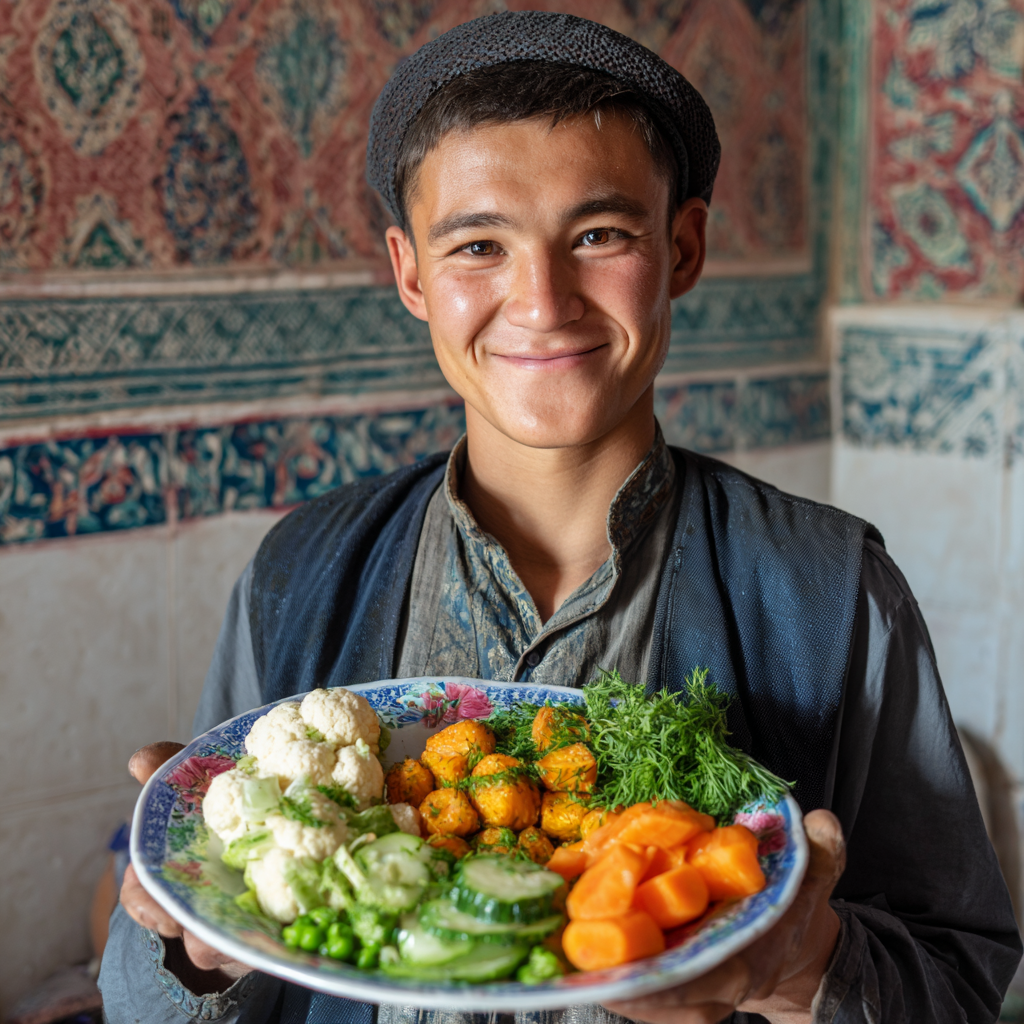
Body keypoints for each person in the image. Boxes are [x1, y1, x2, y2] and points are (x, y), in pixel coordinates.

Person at [99, 12, 1021, 1024]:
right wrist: (184, 945)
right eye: (479, 245)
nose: (542, 300)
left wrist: (806, 968)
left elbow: (966, 978)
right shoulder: (304, 573)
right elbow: (159, 992)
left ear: (682, 245)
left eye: (597, 235)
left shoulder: (829, 588)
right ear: (412, 275)